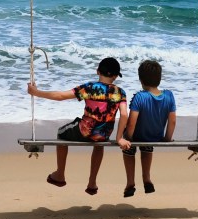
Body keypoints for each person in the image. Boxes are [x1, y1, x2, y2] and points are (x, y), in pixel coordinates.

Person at [27, 56, 131, 195]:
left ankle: (60, 174)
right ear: (115, 76)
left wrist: (36, 92)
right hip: (103, 134)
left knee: (61, 133)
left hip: (85, 131)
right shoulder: (120, 92)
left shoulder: (89, 88)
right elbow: (124, 114)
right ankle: (92, 182)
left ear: (97, 71)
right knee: (99, 144)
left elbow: (61, 96)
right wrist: (119, 138)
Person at [121, 59, 176, 197]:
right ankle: (146, 179)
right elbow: (172, 121)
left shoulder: (140, 97)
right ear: (159, 78)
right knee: (147, 146)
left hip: (138, 135)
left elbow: (132, 123)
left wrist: (128, 137)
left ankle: (130, 183)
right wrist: (167, 138)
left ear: (141, 79)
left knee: (128, 146)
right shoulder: (169, 96)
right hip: (155, 136)